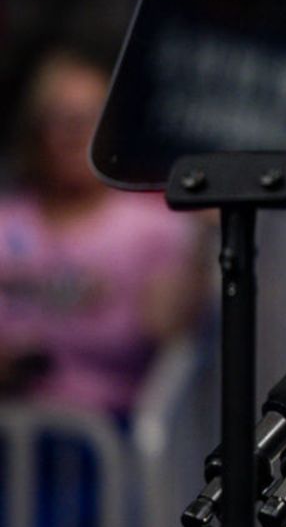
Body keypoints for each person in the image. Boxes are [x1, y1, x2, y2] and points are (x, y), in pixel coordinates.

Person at [0, 45, 203, 421]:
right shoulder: (7, 222)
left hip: (112, 443)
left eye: (86, 120)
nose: (72, 136)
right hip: (13, 439)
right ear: (35, 130)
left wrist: (203, 244)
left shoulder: (152, 227)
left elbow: (169, 333)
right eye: (60, 120)